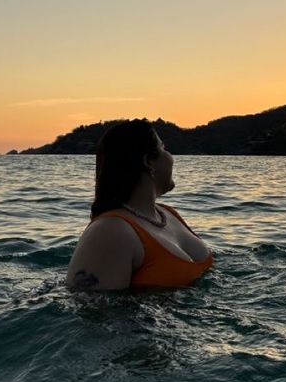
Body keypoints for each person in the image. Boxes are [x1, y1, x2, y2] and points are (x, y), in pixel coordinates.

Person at [66, 118, 214, 291]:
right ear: (148, 162)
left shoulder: (168, 215)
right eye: (163, 148)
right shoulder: (110, 231)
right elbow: (93, 312)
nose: (170, 157)